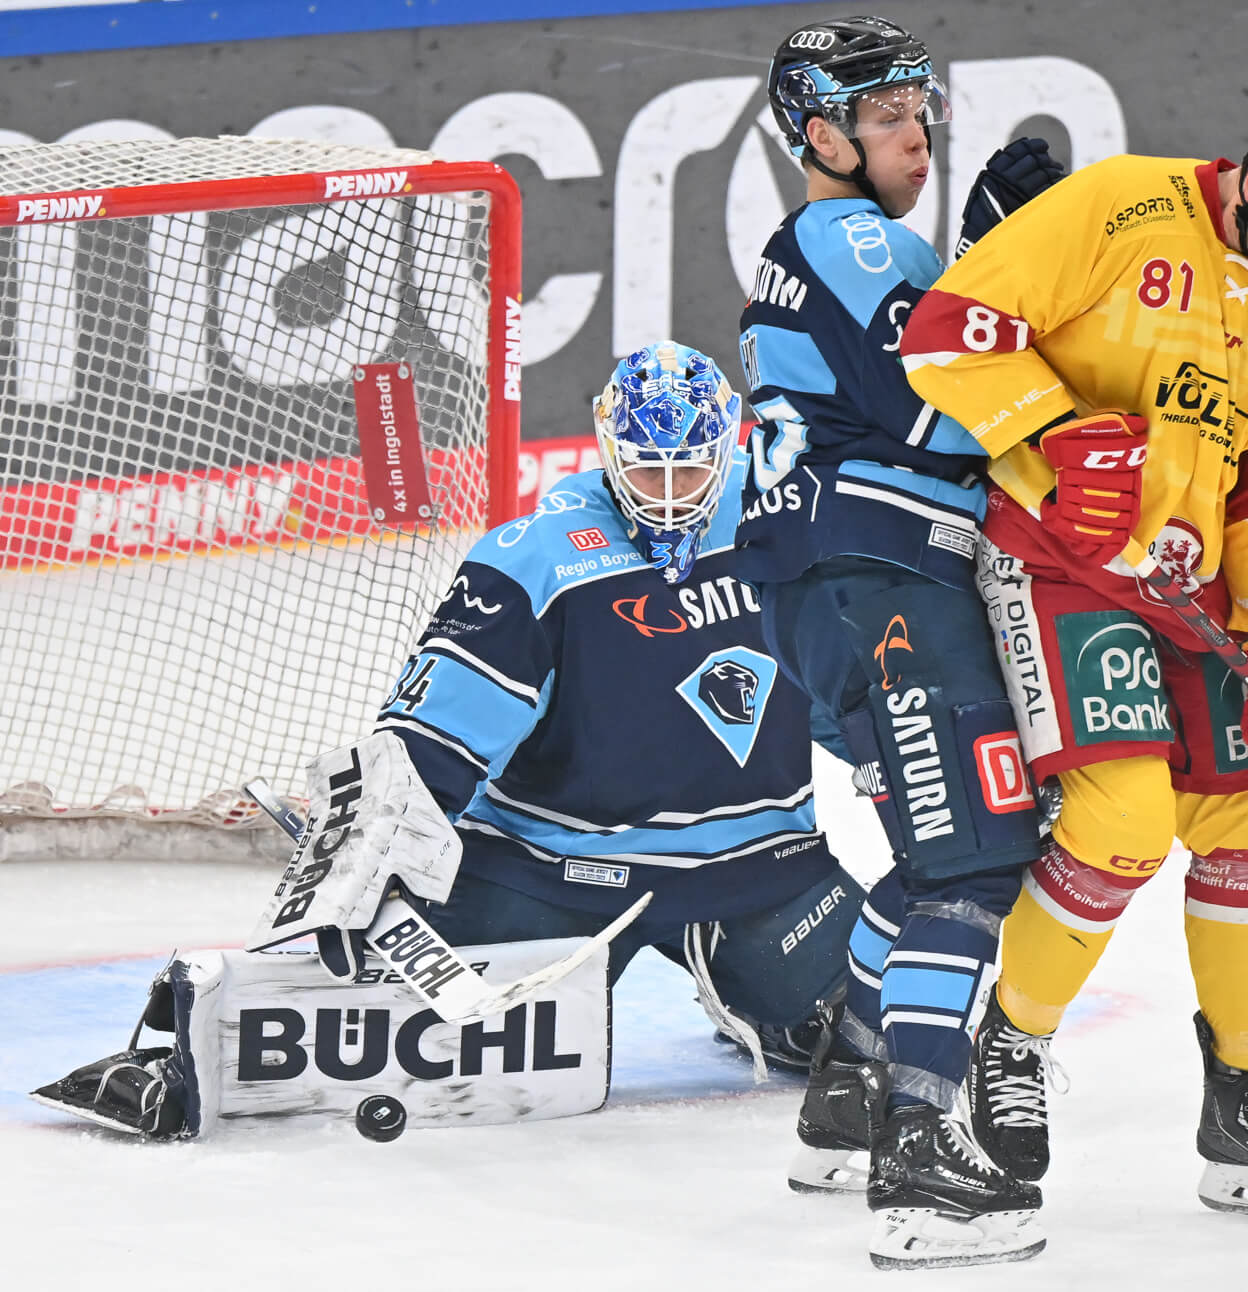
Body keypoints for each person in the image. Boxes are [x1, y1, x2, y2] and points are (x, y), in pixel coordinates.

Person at [33, 341, 866, 1138]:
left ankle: (760, 988)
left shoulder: (788, 531)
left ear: (731, 443)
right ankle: (188, 1050)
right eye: (649, 464)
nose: (671, 489)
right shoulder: (533, 558)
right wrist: (360, 875)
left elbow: (850, 686)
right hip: (554, 876)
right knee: (373, 1034)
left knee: (893, 1029)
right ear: (610, 443)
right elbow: (428, 743)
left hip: (761, 871)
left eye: (691, 464)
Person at [898, 85, 1248, 1224]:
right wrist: (1055, 433)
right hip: (1055, 560)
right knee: (1119, 818)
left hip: (1193, 585)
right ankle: (1007, 1048)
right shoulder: (1122, 206)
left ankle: (1246, 1096)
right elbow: (950, 331)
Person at [738, 14, 1066, 1270]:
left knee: (949, 850)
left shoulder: (835, 244)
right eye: (884, 121)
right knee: (972, 862)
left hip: (837, 596)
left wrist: (982, 254)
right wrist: (1010, 258)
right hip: (882, 586)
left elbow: (916, 379)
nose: (913, 139)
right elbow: (954, 404)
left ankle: (845, 1081)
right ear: (818, 136)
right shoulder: (850, 232)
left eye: (919, 114)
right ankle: (917, 1148)